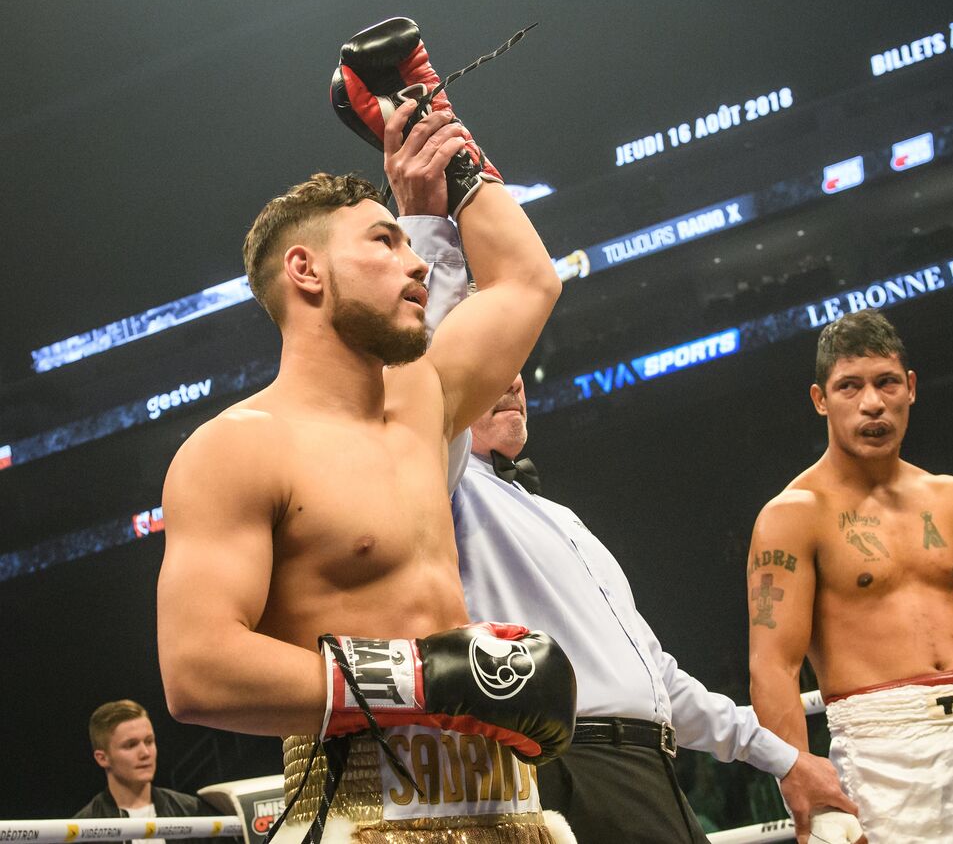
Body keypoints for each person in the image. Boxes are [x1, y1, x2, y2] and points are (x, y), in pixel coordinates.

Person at [156, 55, 576, 844]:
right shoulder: (234, 450)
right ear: (306, 270)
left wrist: (449, 140)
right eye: (384, 242)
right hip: (363, 806)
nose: (417, 262)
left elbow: (527, 282)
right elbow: (196, 670)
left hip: (507, 806)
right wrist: (428, 682)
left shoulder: (424, 399)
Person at [444, 373, 863, 844]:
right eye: (495, 368)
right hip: (567, 768)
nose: (515, 381)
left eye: (518, 368)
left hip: (648, 771)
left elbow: (656, 677)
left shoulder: (561, 519)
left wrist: (785, 759)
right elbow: (435, 396)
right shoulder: (448, 489)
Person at [749, 309, 953, 844]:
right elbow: (772, 665)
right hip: (885, 754)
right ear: (820, 400)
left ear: (910, 388)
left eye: (884, 382)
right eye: (849, 387)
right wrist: (802, 779)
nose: (872, 402)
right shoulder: (793, 515)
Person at [74, 699, 217, 838]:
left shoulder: (193, 812)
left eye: (149, 741)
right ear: (102, 758)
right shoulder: (84, 830)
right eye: (131, 745)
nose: (145, 753)